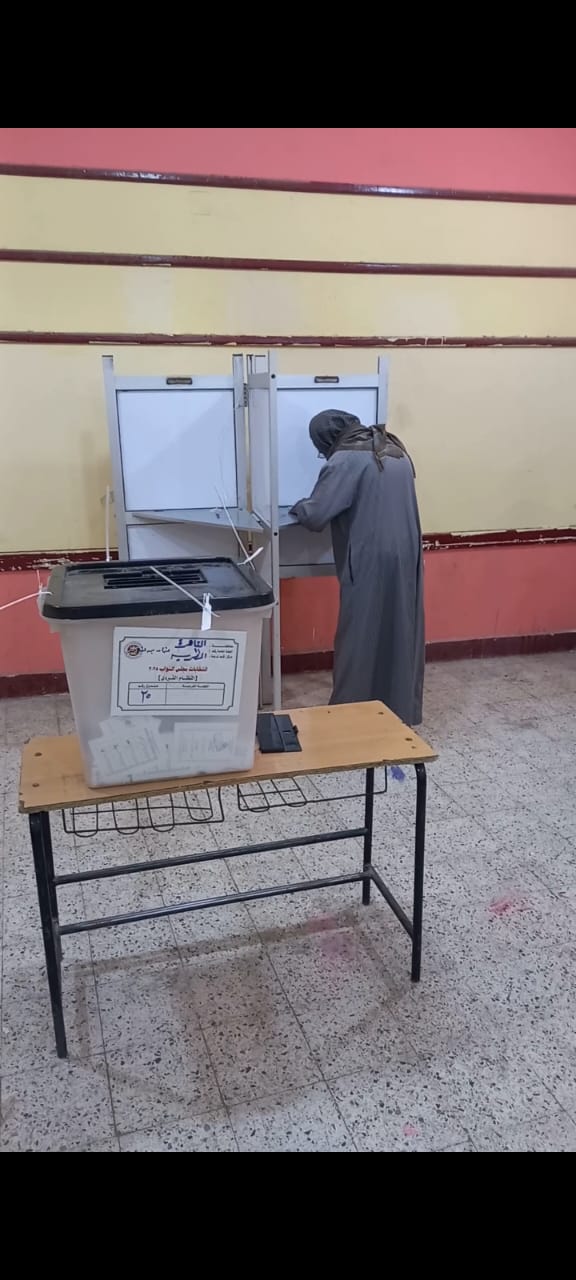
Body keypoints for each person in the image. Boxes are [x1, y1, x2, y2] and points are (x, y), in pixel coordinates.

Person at [290, 410, 424, 725]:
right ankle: (399, 709)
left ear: (325, 439)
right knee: (401, 630)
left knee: (360, 634)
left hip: (370, 557)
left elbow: (317, 514)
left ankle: (350, 713)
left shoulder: (346, 460)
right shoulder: (395, 449)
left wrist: (298, 507)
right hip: (407, 553)